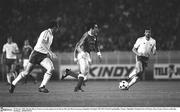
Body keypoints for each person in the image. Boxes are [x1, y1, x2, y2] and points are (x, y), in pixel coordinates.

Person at [9, 21, 60, 93]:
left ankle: (42, 87)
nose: (58, 29)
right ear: (54, 27)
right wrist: (50, 52)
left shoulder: (51, 35)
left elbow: (46, 45)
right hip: (36, 54)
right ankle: (13, 84)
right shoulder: (46, 32)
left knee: (51, 68)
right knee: (26, 73)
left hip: (43, 55)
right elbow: (42, 43)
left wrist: (49, 52)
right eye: (57, 27)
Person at [61, 22, 102, 92]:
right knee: (83, 72)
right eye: (96, 27)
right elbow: (78, 46)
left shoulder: (95, 35)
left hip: (87, 55)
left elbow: (96, 45)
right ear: (91, 29)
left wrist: (99, 54)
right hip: (82, 54)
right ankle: (77, 88)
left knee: (84, 75)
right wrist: (78, 55)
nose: (97, 29)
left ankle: (69, 73)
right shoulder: (86, 35)